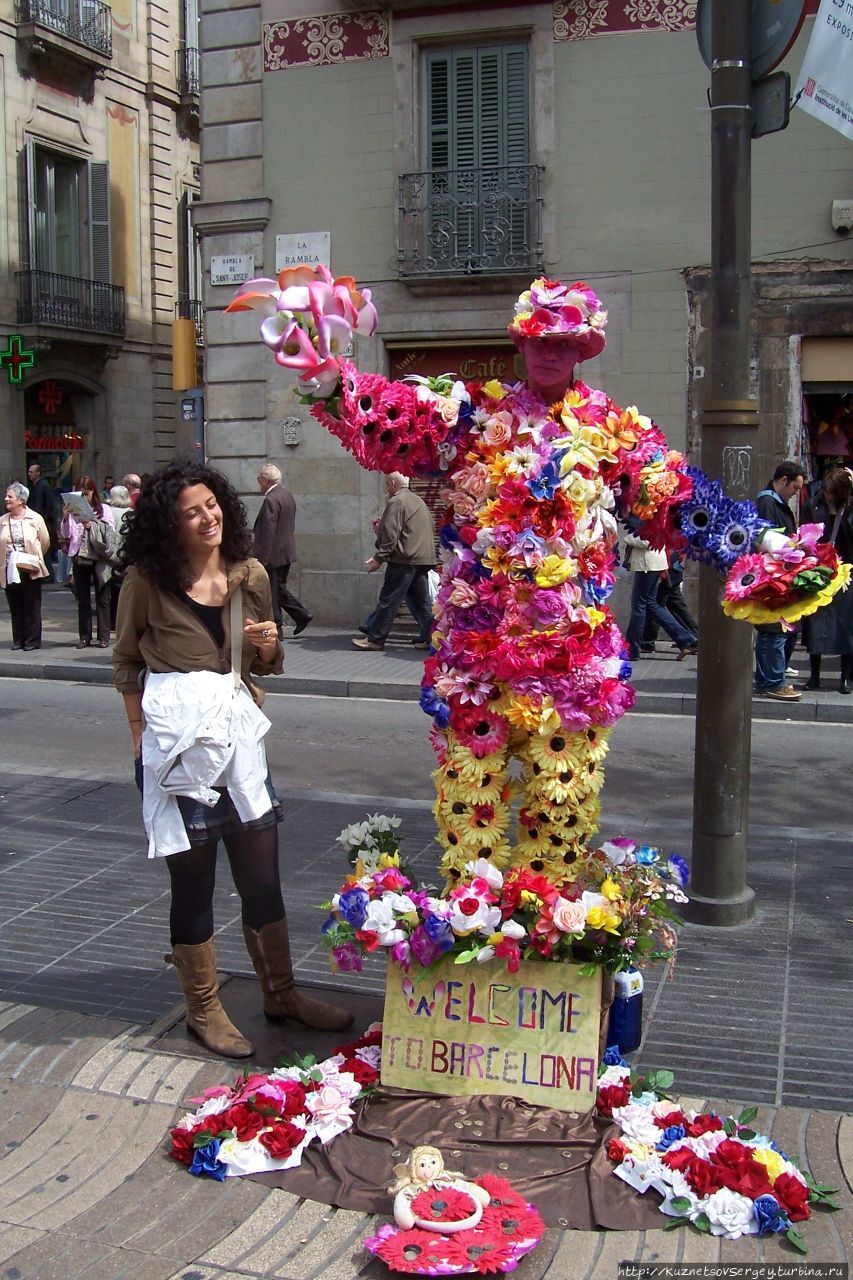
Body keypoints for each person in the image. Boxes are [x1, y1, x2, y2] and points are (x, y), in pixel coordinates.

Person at [113, 459, 350, 1058]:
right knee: (194, 886)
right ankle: (204, 1009)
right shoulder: (146, 580)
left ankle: (281, 993)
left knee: (262, 879)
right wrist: (138, 730)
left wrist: (269, 648)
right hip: (179, 750)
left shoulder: (250, 574)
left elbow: (263, 665)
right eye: (191, 512)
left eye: (212, 504)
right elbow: (124, 662)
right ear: (169, 525)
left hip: (240, 746)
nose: (206, 516)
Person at [352, 473, 435, 652]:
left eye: (387, 485)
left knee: (389, 600)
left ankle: (375, 639)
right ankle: (433, 638)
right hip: (421, 559)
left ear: (392, 484)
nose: (386, 489)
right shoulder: (418, 501)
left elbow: (390, 532)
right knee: (423, 603)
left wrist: (379, 557)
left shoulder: (397, 502)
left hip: (404, 559)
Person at [754, 460, 805, 701]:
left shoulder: (777, 502)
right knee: (772, 628)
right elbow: (767, 537)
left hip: (781, 573)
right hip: (772, 573)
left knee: (780, 627)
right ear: (783, 480)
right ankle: (771, 681)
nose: (795, 493)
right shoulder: (767, 502)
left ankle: (773, 678)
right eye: (794, 488)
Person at [801, 466, 853, 695]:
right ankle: (814, 676)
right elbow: (803, 534)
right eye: (826, 490)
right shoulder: (813, 505)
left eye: (832, 491)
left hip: (847, 572)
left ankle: (845, 677)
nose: (827, 494)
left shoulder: (850, 508)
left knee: (846, 625)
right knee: (815, 625)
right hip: (819, 570)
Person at [251, 461, 312, 638]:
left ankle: (277, 627)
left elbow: (267, 532)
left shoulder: (271, 499)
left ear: (264, 480)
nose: (259, 483)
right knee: (278, 588)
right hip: (285, 552)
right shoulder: (286, 495)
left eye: (259, 480)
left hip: (273, 555)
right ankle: (301, 615)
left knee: (273, 591)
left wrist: (261, 558)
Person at [623, 529, 698, 662]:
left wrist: (628, 538)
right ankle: (685, 639)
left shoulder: (652, 517)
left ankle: (632, 649)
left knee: (638, 606)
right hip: (654, 562)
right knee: (651, 605)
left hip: (647, 564)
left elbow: (647, 541)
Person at [59, 475, 116, 648]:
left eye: (86, 493)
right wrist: (65, 517)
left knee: (102, 597)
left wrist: (93, 525)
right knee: (82, 597)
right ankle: (85, 636)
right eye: (80, 494)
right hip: (79, 554)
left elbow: (110, 531)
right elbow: (67, 534)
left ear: (93, 492)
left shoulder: (103, 509)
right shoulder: (74, 509)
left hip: (98, 556)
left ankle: (103, 636)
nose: (84, 497)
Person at [1, 482, 50, 650]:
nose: (6, 499)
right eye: (6, 496)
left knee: (32, 604)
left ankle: (32, 640)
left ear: (21, 500)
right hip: (9, 567)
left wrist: (34, 557)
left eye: (10, 496)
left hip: (30, 566)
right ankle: (18, 639)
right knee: (15, 604)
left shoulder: (35, 518)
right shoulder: (2, 520)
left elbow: (45, 541)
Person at [26, 463, 60, 579]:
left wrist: (44, 519)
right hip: (36, 522)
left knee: (43, 550)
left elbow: (50, 505)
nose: (29, 474)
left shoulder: (44, 486)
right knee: (40, 550)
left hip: (43, 523)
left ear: (38, 473)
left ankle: (49, 574)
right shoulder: (35, 487)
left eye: (31, 472)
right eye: (29, 472)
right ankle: (46, 574)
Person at [107, 484, 133, 631]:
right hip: (125, 556)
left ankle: (112, 620)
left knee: (109, 592)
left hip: (109, 555)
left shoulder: (108, 512)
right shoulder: (132, 513)